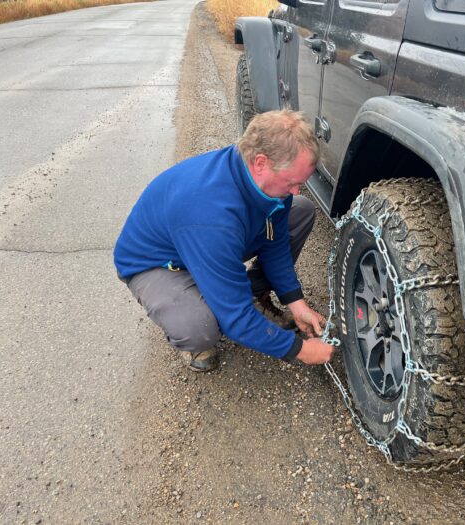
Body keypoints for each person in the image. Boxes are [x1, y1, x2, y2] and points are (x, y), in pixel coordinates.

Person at [114, 110, 335, 371]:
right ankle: (197, 323)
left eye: (300, 182)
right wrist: (299, 350)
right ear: (261, 163)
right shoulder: (209, 215)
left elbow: (274, 245)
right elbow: (235, 320)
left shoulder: (264, 181)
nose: (295, 190)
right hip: (158, 265)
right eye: (291, 182)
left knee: (301, 210)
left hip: (208, 243)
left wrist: (296, 304)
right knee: (200, 328)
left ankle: (248, 293)